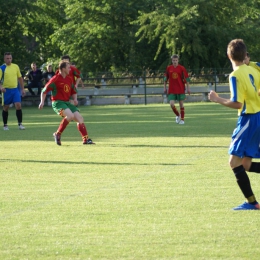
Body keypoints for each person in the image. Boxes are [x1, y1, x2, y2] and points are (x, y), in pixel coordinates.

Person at [208, 39, 260, 210]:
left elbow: (237, 103)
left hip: (247, 119)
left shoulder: (235, 75)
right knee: (245, 164)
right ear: (245, 55)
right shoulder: (252, 69)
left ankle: (252, 203)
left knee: (234, 162)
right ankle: (252, 202)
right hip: (257, 117)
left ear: (229, 55)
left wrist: (217, 99)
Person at [38, 60, 94, 145]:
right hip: (57, 103)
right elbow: (44, 91)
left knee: (80, 118)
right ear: (63, 69)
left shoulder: (69, 79)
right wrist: (42, 102)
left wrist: (75, 99)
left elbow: (73, 91)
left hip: (67, 103)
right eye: (68, 67)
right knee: (70, 115)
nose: (70, 69)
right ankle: (58, 134)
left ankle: (85, 139)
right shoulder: (55, 79)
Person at [0, 52, 26, 130]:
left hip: (15, 90)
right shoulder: (2, 68)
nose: (9, 60)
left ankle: (20, 124)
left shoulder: (15, 66)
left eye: (10, 58)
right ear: (4, 59)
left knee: (18, 105)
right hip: (6, 91)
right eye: (7, 58)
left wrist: (22, 89)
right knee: (6, 107)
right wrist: (1, 87)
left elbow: (20, 78)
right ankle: (5, 125)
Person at [164, 54, 191, 125]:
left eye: (176, 60)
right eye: (173, 60)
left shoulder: (182, 68)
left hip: (180, 88)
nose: (175, 61)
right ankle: (178, 115)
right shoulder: (169, 68)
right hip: (172, 89)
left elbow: (187, 79)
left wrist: (188, 88)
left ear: (178, 60)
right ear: (171, 60)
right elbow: (165, 78)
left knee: (181, 104)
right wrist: (164, 87)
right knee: (171, 104)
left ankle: (182, 119)